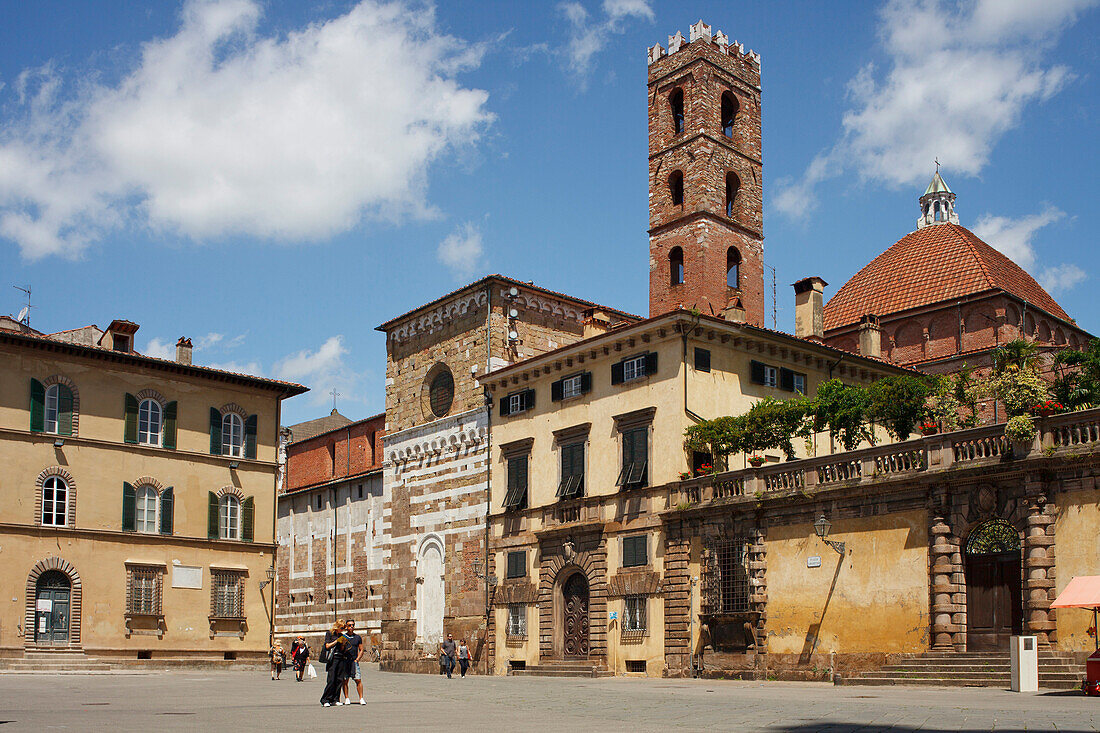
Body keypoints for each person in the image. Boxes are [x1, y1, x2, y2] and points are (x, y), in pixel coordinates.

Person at [319, 621, 349, 707]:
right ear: (337, 627)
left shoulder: (341, 635)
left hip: (340, 658)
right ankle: (325, 699)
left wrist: (343, 643)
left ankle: (335, 699)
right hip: (333, 659)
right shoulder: (329, 634)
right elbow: (327, 646)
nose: (343, 630)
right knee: (331, 679)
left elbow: (343, 649)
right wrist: (336, 641)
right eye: (342, 628)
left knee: (339, 679)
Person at [341, 619, 366, 705]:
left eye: (353, 625)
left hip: (354, 662)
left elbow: (361, 649)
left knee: (358, 680)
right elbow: (340, 649)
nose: (351, 627)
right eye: (349, 625)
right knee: (345, 680)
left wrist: (357, 659)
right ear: (346, 627)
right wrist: (343, 644)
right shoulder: (343, 637)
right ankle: (347, 698)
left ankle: (361, 698)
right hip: (345, 661)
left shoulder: (357, 637)